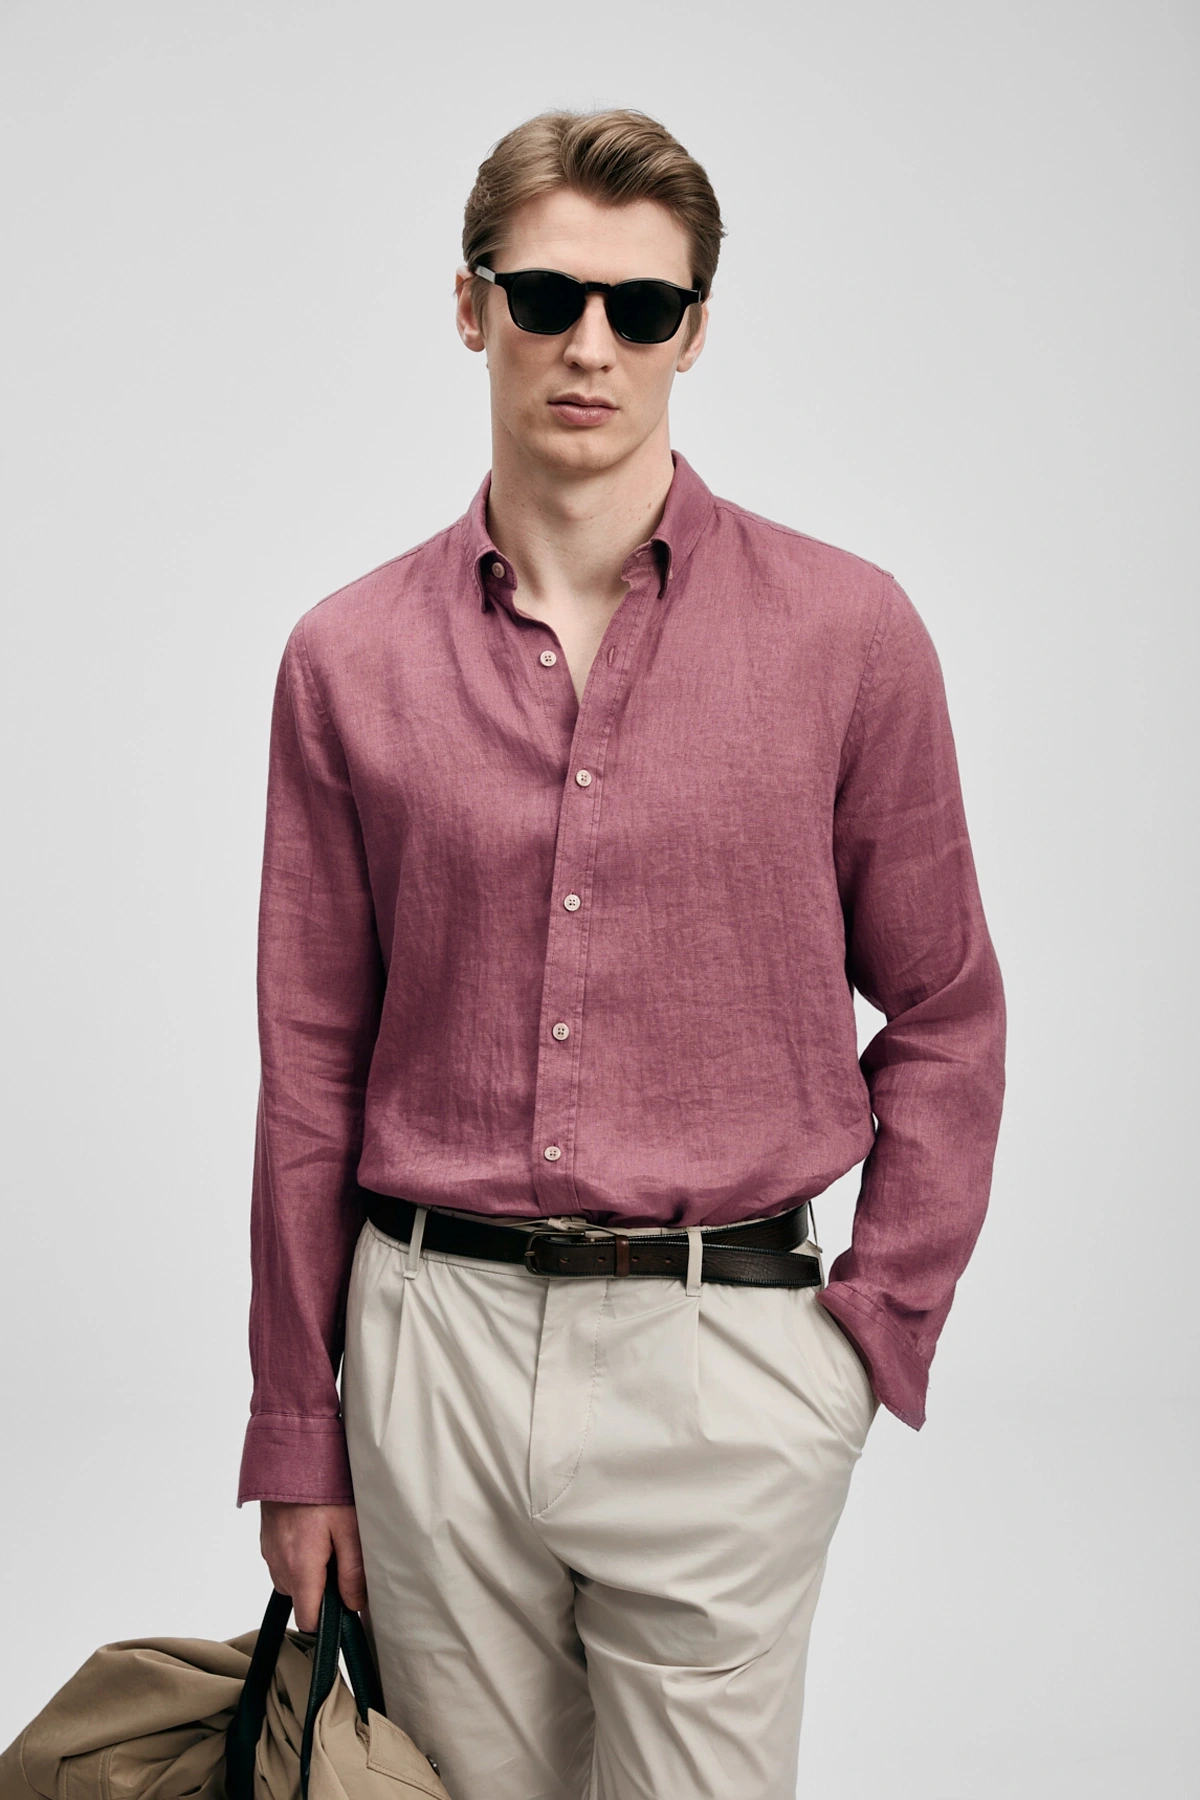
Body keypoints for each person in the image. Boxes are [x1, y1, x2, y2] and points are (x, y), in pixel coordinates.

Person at [239, 108, 1006, 1800]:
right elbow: (311, 1067)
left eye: (641, 308)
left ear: (693, 331)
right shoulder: (346, 660)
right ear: (471, 306)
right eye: (547, 296)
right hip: (430, 1349)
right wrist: (299, 1428)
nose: (591, 344)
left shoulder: (850, 634)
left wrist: (868, 1334)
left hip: (726, 1356)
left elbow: (948, 1007)